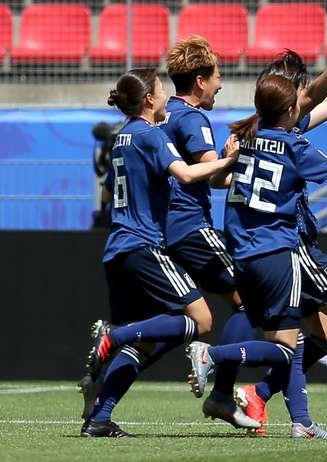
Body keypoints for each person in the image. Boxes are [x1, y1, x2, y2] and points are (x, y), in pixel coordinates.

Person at [185, 74, 327, 438]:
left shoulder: (243, 139)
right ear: (289, 109)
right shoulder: (294, 146)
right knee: (288, 349)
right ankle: (215, 357)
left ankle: (296, 418)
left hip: (241, 254)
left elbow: (218, 181)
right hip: (277, 253)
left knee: (293, 341)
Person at [79, 68, 254, 437]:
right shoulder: (150, 133)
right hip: (144, 245)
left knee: (147, 340)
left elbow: (113, 189)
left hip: (117, 249)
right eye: (160, 92)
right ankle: (114, 335)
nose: (165, 98)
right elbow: (188, 175)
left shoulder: (122, 137)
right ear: (148, 99)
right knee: (202, 321)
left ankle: (99, 417)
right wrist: (230, 160)